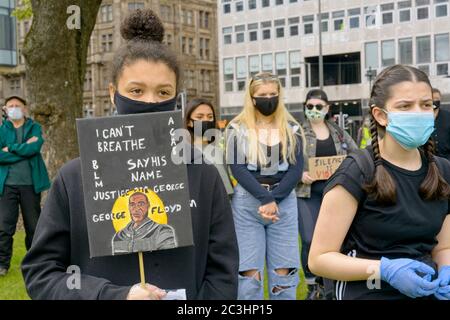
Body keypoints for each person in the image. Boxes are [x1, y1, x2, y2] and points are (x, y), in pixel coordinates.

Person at [21, 9, 238, 300]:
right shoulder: (74, 178)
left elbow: (222, 275)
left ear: (176, 98)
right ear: (113, 93)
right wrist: (110, 295)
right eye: (136, 91)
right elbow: (42, 273)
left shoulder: (203, 174)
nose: (150, 101)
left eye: (163, 93)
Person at [309, 65, 450, 300]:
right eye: (405, 106)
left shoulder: (443, 170)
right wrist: (383, 270)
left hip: (425, 292)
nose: (419, 112)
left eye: (426, 105)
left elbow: (443, 247)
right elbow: (319, 259)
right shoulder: (357, 172)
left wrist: (446, 268)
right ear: (380, 115)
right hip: (367, 292)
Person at [226, 72, 304, 300]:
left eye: (273, 94)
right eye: (262, 95)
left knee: (285, 271)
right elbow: (237, 169)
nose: (268, 98)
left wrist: (275, 199)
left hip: (284, 203)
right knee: (249, 274)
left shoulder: (293, 128)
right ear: (252, 98)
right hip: (247, 205)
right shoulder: (236, 128)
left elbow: (296, 169)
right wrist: (265, 198)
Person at [296, 89, 357, 299]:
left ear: (327, 108)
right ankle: (313, 283)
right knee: (309, 238)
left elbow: (355, 154)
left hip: (335, 193)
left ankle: (329, 281)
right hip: (307, 193)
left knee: (337, 238)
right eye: (310, 106)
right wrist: (299, 174)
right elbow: (286, 160)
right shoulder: (297, 133)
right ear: (305, 107)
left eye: (319, 106)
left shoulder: (339, 132)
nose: (314, 110)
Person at [0, 95, 50, 277]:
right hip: (7, 186)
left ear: (24, 108)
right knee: (4, 227)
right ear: (5, 110)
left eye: (17, 105)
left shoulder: (34, 127)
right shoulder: (1, 130)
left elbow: (34, 149)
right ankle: (2, 264)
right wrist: (22, 149)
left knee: (33, 226)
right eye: (10, 106)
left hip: (30, 185)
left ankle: (35, 263)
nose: (14, 108)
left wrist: (10, 148)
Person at [184, 98, 234, 195]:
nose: (206, 120)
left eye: (210, 116)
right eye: (199, 117)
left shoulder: (218, 149)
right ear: (189, 122)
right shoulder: (185, 153)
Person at [112, 192, 177, 255]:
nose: (136, 209)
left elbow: (169, 257)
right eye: (132, 205)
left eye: (141, 204)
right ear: (129, 207)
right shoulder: (119, 236)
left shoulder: (162, 231)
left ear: (148, 205)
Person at [431, 88, 450, 160]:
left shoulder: (448, 116)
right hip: (429, 160)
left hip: (447, 158)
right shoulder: (422, 117)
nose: (434, 101)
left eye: (436, 99)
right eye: (432, 98)